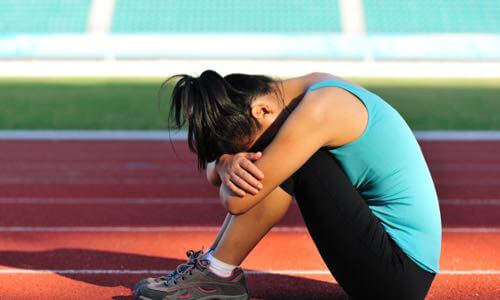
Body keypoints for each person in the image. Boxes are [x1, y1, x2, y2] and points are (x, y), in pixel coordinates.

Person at [133, 70, 441, 300]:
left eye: (250, 148)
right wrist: (226, 162)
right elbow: (214, 172)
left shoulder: (322, 109)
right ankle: (217, 268)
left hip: (398, 276)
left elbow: (236, 201)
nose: (252, 158)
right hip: (391, 264)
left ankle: (217, 272)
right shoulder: (308, 90)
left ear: (262, 111)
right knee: (287, 157)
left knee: (297, 161)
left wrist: (234, 171)